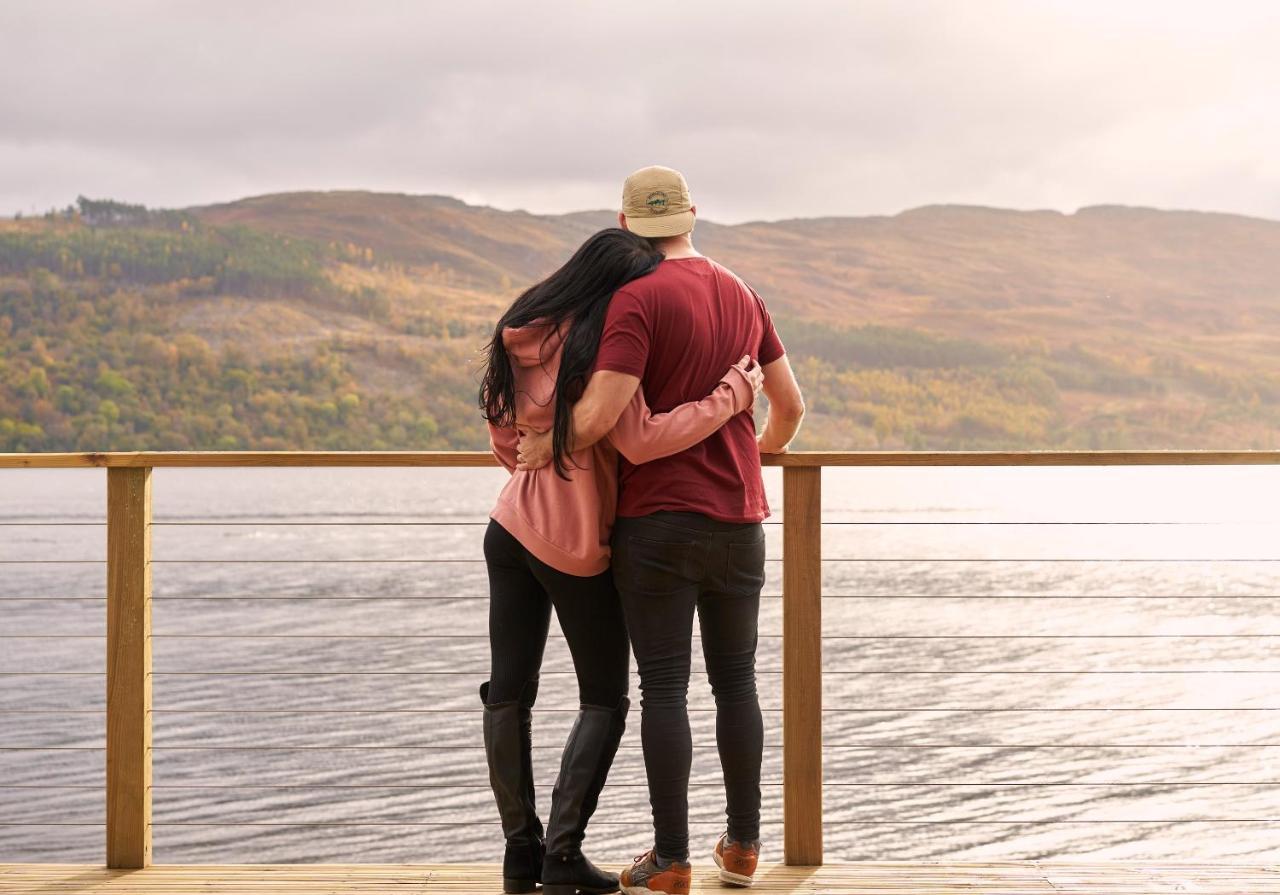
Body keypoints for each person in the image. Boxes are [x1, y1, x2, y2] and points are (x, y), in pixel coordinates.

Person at [517, 166, 806, 894]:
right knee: (736, 681)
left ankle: (671, 859)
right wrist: (748, 454)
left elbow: (606, 417)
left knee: (665, 688)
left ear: (624, 221)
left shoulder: (634, 300)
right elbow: (792, 407)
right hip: (740, 518)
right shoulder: (744, 294)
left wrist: (545, 443)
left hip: (658, 524)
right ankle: (742, 847)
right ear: (691, 215)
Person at [478, 227, 764, 895]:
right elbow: (640, 436)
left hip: (511, 523)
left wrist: (538, 463)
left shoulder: (522, 329)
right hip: (573, 540)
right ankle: (562, 853)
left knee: (509, 690)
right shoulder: (603, 344)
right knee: (606, 696)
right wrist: (731, 396)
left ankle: (522, 851)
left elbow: (502, 432)